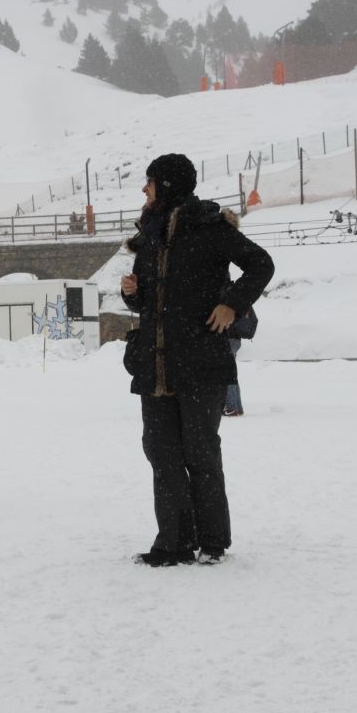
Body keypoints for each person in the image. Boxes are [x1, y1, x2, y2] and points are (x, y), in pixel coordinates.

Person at [120, 154, 274, 567]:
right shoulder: (150, 233)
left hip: (200, 362)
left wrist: (232, 304)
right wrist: (133, 292)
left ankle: (212, 541)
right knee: (162, 453)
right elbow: (149, 300)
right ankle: (174, 542)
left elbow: (261, 264)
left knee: (200, 453)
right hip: (155, 364)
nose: (144, 189)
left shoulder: (210, 227)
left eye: (150, 181)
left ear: (168, 185)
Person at [224, 306, 258, 417]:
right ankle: (237, 407)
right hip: (235, 339)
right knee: (230, 373)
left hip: (228, 339)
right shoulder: (240, 300)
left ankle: (231, 407)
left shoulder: (227, 300)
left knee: (226, 373)